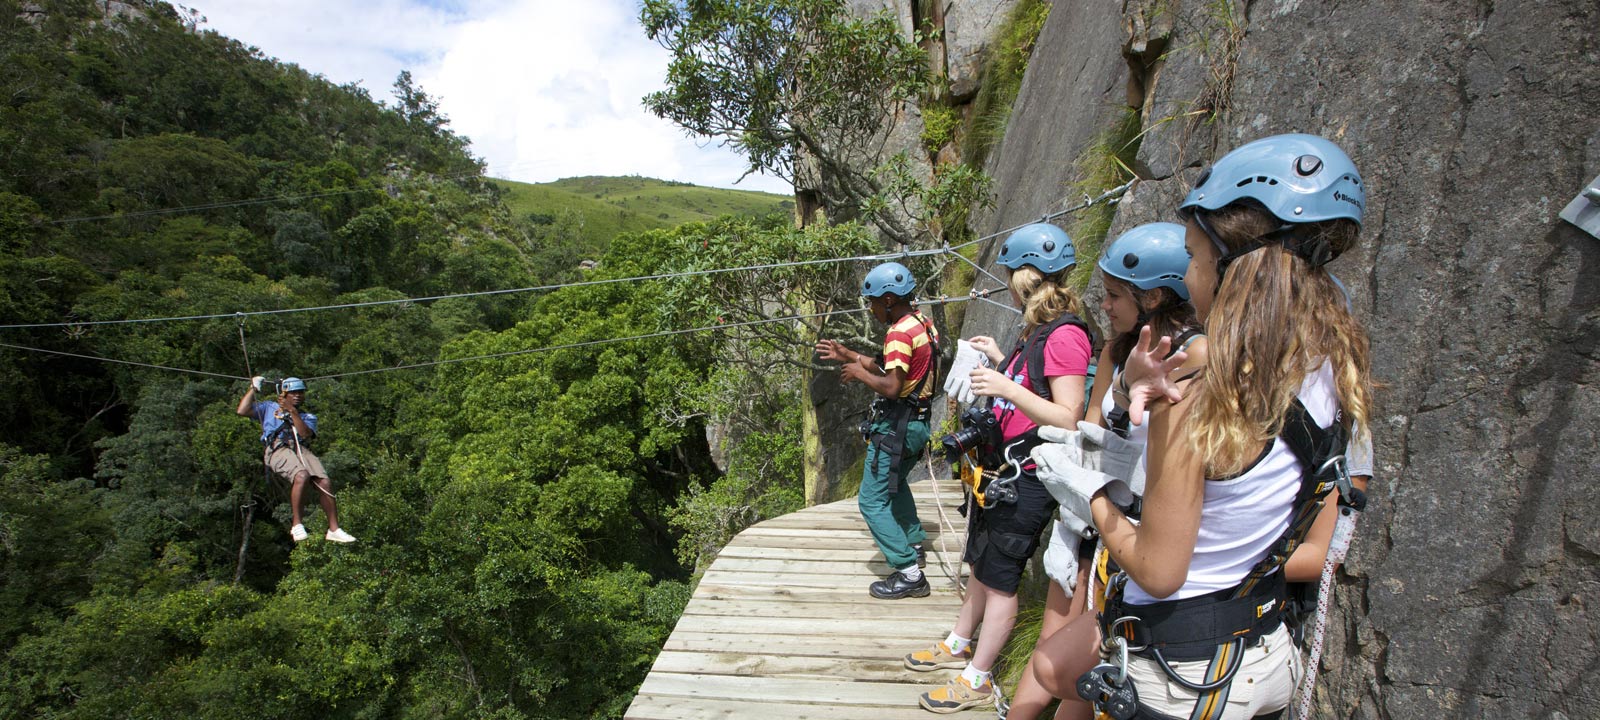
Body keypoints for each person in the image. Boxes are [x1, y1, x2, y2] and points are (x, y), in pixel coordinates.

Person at [1030, 133, 1373, 720]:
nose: (1189, 277)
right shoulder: (1335, 369)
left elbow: (1160, 572)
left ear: (1236, 268)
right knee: (1051, 666)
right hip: (1262, 646)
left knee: (1055, 668)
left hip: (1182, 672)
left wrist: (1090, 498)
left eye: (1194, 257)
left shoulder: (1189, 392)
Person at [1006, 222, 1207, 720]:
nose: (1106, 306)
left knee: (1083, 662)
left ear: (1155, 296)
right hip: (1093, 516)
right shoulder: (1116, 352)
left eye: (1115, 296)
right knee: (1061, 644)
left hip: (1135, 528)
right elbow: (1092, 427)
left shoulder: (1197, 357)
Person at [904, 223, 1092, 713]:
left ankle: (979, 677)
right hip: (1001, 471)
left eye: (1010, 275)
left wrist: (1006, 388)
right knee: (980, 565)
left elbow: (1069, 415)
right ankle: (960, 642)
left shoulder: (1067, 334)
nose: (1006, 283)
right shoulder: (1040, 331)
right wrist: (1001, 361)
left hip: (1027, 478)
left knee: (1002, 576)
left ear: (1025, 277)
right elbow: (1040, 389)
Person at [815, 262, 940, 599]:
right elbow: (893, 365)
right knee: (894, 485)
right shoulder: (921, 324)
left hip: (897, 426)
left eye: (872, 302)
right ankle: (913, 542)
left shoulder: (898, 333)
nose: (870, 309)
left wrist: (857, 372)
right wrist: (849, 354)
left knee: (871, 501)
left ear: (888, 299)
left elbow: (890, 385)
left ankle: (909, 572)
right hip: (917, 423)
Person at [236, 376, 356, 544]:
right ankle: (297, 524)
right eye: (293, 393)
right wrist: (253, 389)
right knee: (301, 475)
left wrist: (292, 411)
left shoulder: (308, 417)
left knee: (325, 483)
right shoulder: (269, 408)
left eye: (300, 392)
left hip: (299, 447)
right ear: (284, 394)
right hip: (277, 448)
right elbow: (242, 410)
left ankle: (334, 529)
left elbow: (305, 434)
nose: (298, 395)